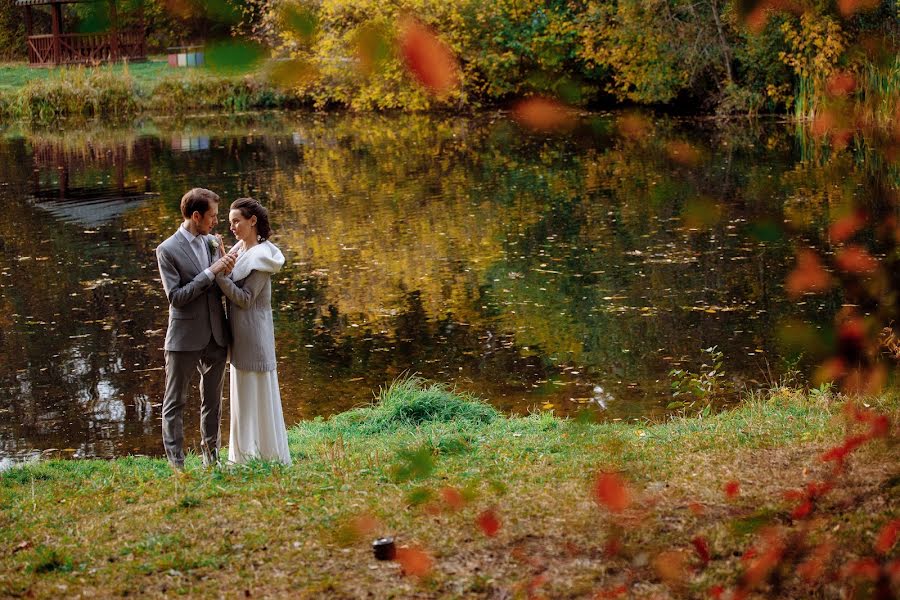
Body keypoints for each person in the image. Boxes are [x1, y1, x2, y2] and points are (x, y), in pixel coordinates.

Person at [156, 188, 236, 471]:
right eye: (212, 216)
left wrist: (227, 268)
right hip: (184, 338)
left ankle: (211, 459)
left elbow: (223, 284)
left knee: (213, 402)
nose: (216, 222)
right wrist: (211, 272)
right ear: (196, 215)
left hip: (216, 334)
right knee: (175, 402)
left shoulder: (213, 242)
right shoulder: (166, 250)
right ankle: (177, 465)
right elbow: (175, 297)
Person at [216, 198, 292, 465]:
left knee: (256, 395)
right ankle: (244, 455)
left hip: (255, 336)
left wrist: (219, 276)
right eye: (229, 222)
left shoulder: (262, 257)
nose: (232, 227)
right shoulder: (240, 250)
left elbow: (246, 299)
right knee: (243, 398)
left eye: (237, 221)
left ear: (253, 221)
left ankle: (267, 455)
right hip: (240, 336)